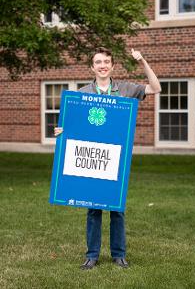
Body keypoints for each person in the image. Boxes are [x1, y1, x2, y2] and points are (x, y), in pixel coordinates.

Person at [54, 47, 161, 269]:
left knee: (117, 209)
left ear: (112, 66)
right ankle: (92, 255)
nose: (103, 65)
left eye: (106, 62)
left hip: (116, 158)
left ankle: (118, 254)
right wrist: (62, 132)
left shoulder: (125, 89)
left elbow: (156, 88)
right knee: (93, 208)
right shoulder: (83, 93)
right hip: (94, 160)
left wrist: (142, 61)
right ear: (92, 67)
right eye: (98, 62)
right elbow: (74, 125)